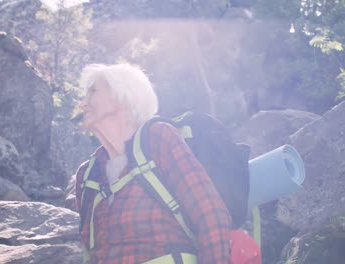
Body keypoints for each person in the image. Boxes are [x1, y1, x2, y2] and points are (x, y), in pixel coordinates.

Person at [75, 63, 231, 264]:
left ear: (123, 96)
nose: (82, 103)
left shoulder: (158, 138)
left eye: (93, 91)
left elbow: (211, 216)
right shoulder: (87, 175)